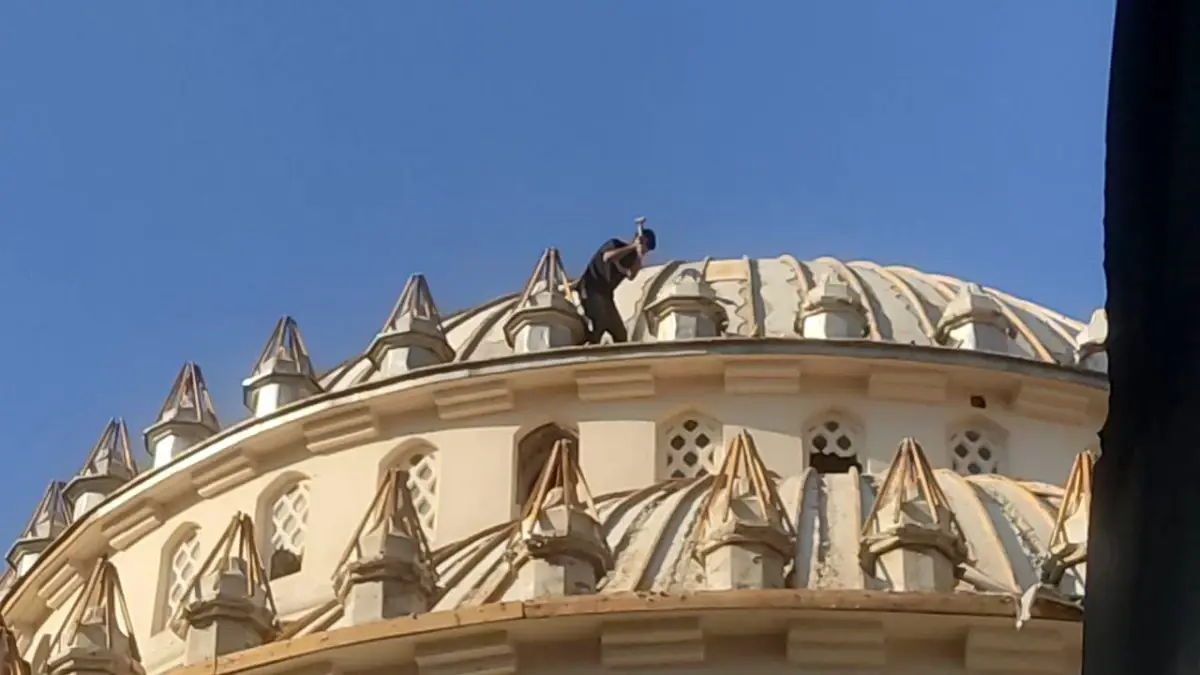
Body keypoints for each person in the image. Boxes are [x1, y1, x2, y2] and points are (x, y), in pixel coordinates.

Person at [576, 221, 657, 344]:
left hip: (606, 296)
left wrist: (639, 256)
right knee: (600, 324)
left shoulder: (632, 259)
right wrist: (633, 246)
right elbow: (607, 257)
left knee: (620, 334)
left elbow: (631, 275)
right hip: (590, 289)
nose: (645, 250)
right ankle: (588, 346)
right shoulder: (615, 244)